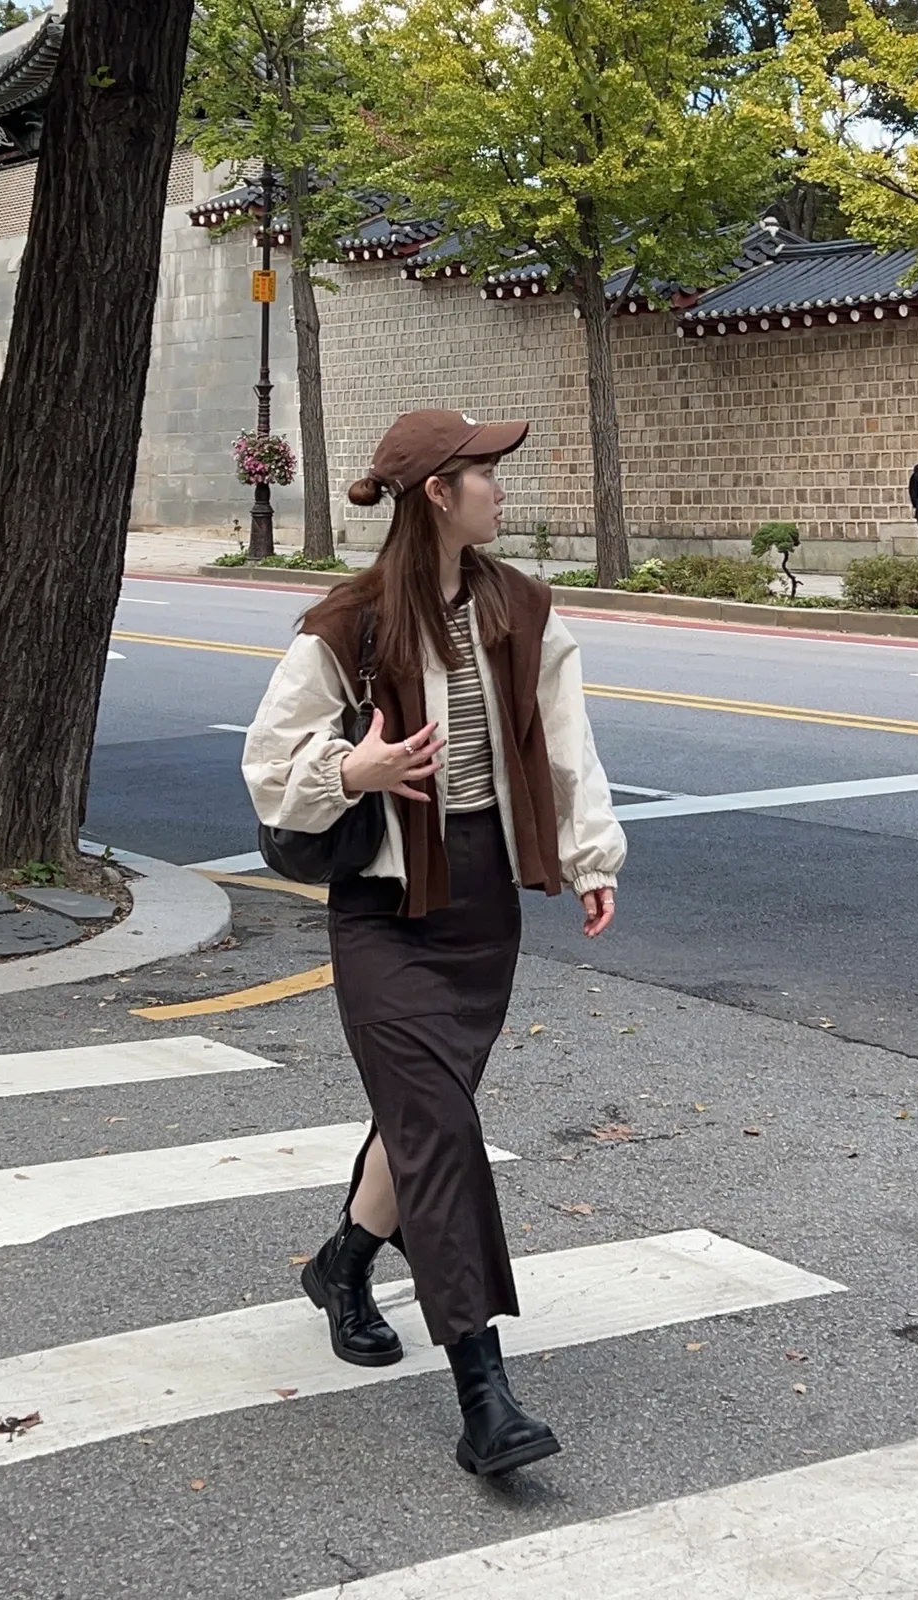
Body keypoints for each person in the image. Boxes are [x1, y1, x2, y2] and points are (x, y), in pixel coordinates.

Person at [243, 409, 626, 1477]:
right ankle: (484, 1396)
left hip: (482, 901)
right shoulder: (351, 623)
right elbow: (269, 763)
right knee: (441, 1126)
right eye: (482, 472)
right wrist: (350, 772)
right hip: (383, 905)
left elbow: (566, 744)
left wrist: (591, 856)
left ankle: (342, 1262)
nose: (499, 488)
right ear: (436, 495)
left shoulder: (523, 608)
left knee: (425, 1121)